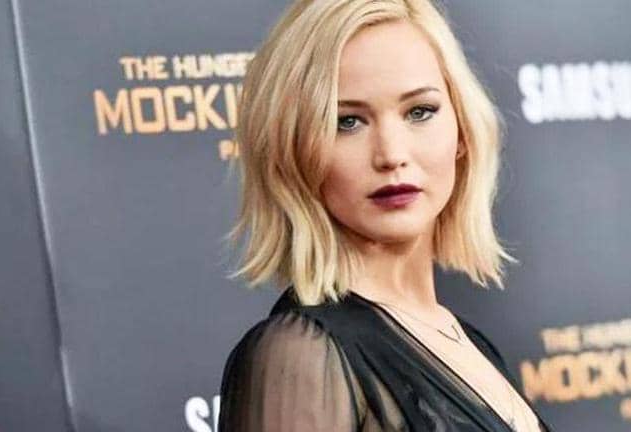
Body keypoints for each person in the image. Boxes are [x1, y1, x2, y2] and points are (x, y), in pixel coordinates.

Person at [219, 0, 553, 430]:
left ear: (462, 132)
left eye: (419, 112)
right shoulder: (300, 354)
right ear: (294, 149)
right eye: (347, 122)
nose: (392, 154)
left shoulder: (468, 340)